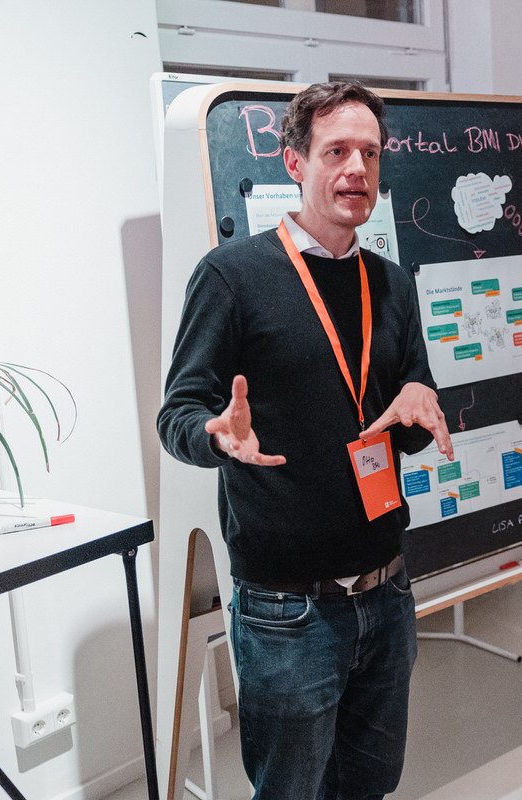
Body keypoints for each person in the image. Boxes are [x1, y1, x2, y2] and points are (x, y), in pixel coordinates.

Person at [158, 81, 454, 800]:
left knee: (370, 785)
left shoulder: (390, 284)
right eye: (336, 152)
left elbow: (402, 411)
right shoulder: (232, 277)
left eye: (370, 154)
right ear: (295, 163)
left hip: (386, 592)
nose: (356, 169)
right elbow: (179, 414)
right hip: (288, 611)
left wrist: (422, 403)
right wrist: (215, 436)